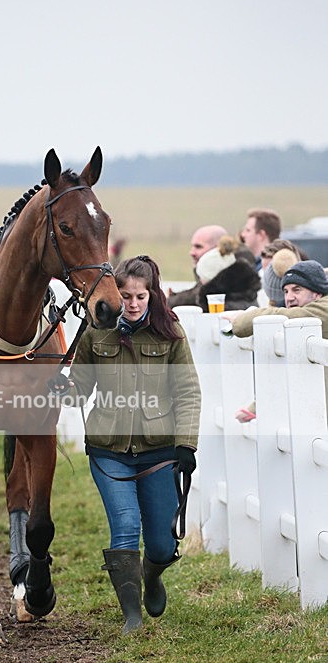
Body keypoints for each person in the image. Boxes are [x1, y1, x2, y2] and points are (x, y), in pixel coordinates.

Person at [62, 255, 201, 635]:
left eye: (140, 296)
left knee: (160, 544)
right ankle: (132, 617)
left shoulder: (170, 333)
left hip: (160, 452)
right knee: (124, 527)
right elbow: (80, 388)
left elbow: (188, 392)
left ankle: (153, 576)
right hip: (108, 450)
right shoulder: (95, 333)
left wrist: (186, 445)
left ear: (151, 296)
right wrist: (65, 389)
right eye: (125, 295)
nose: (132, 303)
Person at [222, 260, 328, 422]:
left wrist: (241, 320)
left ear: (318, 293)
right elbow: (295, 374)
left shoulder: (321, 310)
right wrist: (257, 407)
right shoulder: (303, 323)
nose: (289, 298)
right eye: (285, 291)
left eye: (296, 290)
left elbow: (289, 316)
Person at [168, 224, 227, 308]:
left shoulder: (226, 280)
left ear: (218, 250)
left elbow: (197, 296)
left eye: (198, 247)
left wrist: (171, 301)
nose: (192, 253)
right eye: (192, 246)